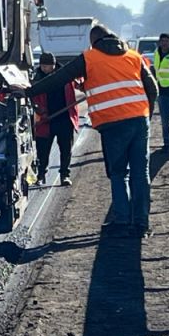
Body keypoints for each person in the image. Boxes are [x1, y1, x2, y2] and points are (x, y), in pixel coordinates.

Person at [13, 25, 158, 238]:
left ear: (93, 42)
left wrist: (28, 91)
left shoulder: (89, 58)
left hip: (112, 124)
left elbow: (58, 78)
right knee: (140, 173)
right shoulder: (134, 57)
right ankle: (142, 225)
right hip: (139, 121)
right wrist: (146, 114)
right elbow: (152, 89)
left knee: (118, 173)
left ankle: (122, 220)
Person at [30, 52, 79, 187]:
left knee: (65, 150)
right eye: (44, 66)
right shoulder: (36, 78)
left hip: (64, 118)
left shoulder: (65, 75)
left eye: (49, 66)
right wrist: (39, 110)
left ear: (54, 64)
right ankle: (40, 176)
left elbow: (78, 84)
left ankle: (65, 175)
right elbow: (32, 99)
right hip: (45, 121)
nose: (46, 69)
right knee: (42, 151)